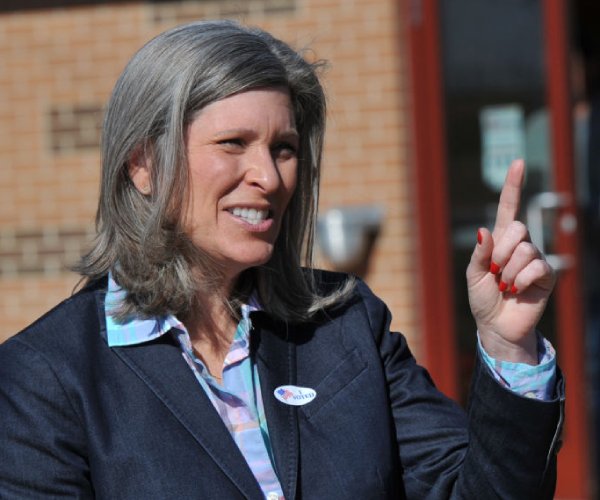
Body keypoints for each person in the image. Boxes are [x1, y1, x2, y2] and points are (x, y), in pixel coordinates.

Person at [0, 20, 562, 499]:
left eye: (284, 148)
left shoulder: (346, 324)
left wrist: (507, 345)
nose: (268, 177)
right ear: (142, 165)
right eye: (232, 144)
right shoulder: (45, 378)